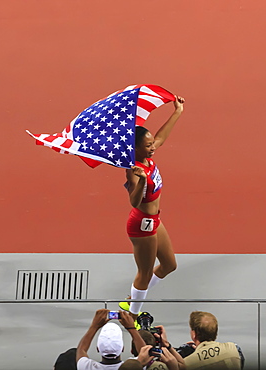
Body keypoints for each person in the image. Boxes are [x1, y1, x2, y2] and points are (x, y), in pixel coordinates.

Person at [119, 95, 185, 318]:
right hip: (141, 225)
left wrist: (177, 112)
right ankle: (133, 315)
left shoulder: (147, 156)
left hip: (155, 220)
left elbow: (160, 138)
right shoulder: (133, 167)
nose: (152, 147)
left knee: (169, 265)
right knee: (145, 272)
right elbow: (134, 201)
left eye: (150, 144)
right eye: (147, 146)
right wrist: (142, 182)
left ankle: (133, 300)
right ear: (136, 148)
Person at [76, 309, 146, 370]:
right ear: (122, 349)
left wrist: (94, 326)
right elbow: (145, 353)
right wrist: (131, 328)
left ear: (97, 349)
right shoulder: (134, 366)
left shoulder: (86, 367)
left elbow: (81, 349)